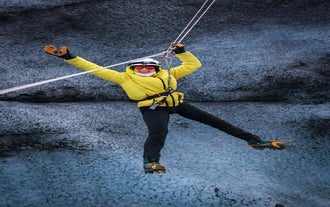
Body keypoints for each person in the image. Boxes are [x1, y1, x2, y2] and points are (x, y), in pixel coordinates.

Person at [44, 43, 286, 174]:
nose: (144, 70)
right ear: (133, 69)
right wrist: (69, 56)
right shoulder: (124, 78)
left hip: (177, 103)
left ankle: (254, 140)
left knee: (217, 122)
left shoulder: (169, 72)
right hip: (153, 108)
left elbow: (194, 63)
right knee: (159, 133)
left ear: (156, 68)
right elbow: (94, 68)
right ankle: (150, 162)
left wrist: (181, 52)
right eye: (140, 68)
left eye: (148, 68)